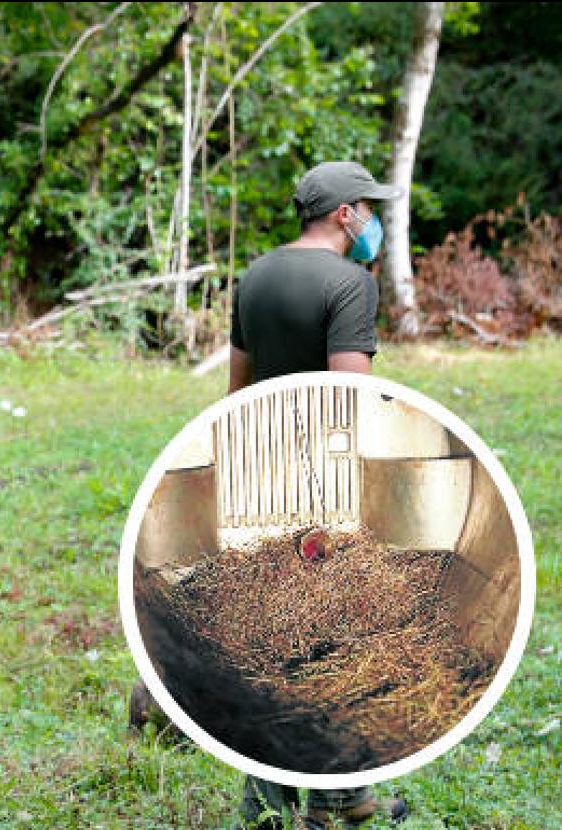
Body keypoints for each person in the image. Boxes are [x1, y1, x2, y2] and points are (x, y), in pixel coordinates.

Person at [227, 161, 408, 829]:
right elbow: (346, 398)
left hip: (261, 471)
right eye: (365, 207)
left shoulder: (254, 276)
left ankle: (266, 801)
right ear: (343, 215)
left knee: (270, 639)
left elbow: (236, 393)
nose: (370, 220)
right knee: (340, 635)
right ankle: (337, 799)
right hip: (323, 481)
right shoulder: (349, 283)